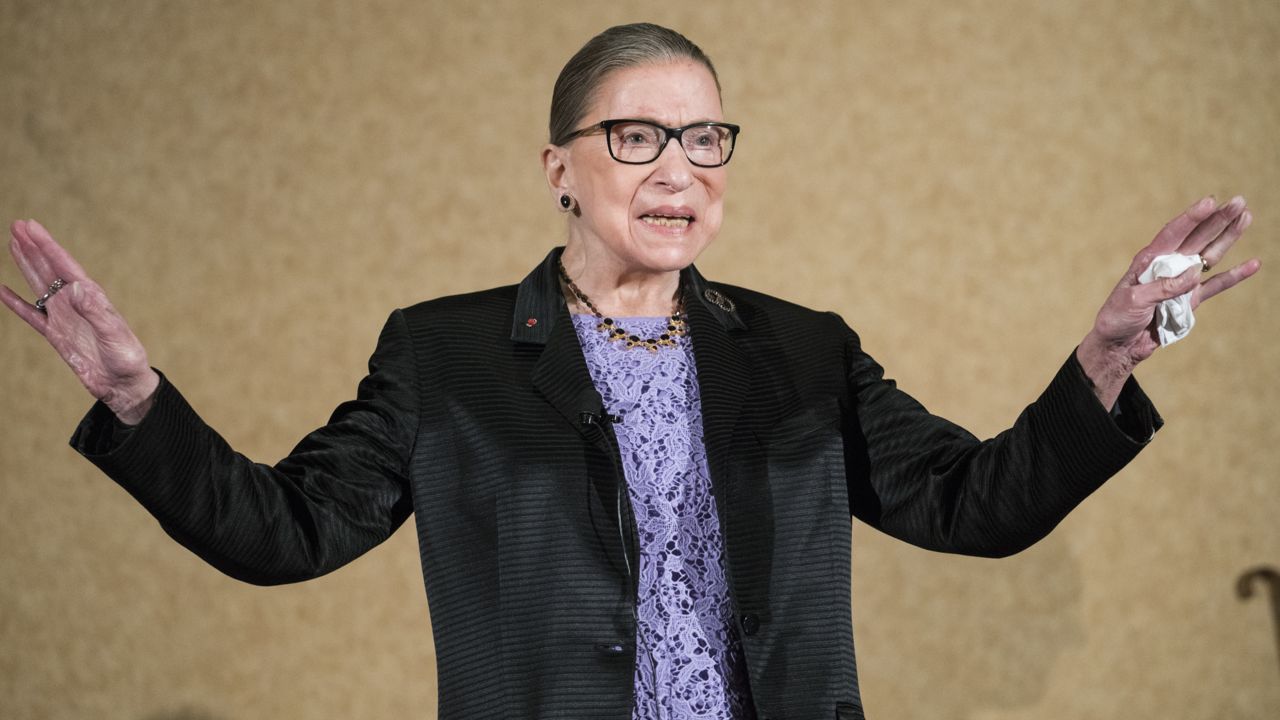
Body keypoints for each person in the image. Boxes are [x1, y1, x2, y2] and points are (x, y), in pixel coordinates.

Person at [0, 22, 1259, 720]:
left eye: (704, 137)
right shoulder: (445, 353)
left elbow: (971, 506)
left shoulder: (803, 349)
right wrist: (135, 403)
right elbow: (285, 532)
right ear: (559, 165)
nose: (678, 168)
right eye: (636, 135)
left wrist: (1096, 364)